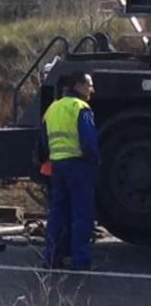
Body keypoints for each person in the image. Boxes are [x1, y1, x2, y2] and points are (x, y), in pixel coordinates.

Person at [43, 71, 99, 271]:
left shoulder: (53, 108)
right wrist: (96, 163)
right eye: (89, 85)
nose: (92, 89)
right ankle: (80, 260)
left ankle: (52, 257)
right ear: (78, 86)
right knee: (82, 213)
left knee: (57, 212)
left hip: (57, 165)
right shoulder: (80, 108)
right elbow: (89, 142)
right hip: (79, 165)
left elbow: (43, 142)